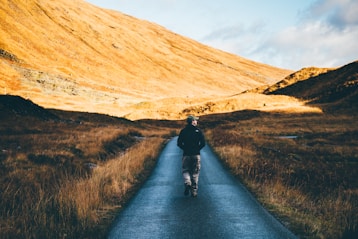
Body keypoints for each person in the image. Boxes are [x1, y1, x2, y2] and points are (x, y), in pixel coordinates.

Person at [177, 115, 205, 197]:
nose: (196, 122)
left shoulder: (183, 131)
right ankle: (194, 191)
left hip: (186, 154)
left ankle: (187, 182)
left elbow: (179, 143)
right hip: (196, 154)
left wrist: (184, 148)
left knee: (185, 170)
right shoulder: (198, 131)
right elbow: (203, 143)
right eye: (195, 120)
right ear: (192, 121)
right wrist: (197, 149)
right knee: (195, 172)